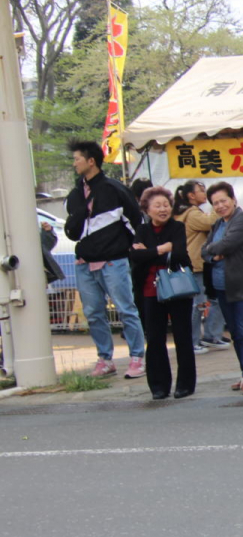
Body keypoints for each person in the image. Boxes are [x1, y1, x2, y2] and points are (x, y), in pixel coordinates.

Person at [63, 139, 147, 379]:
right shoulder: (76, 194)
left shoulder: (115, 189)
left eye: (77, 159)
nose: (74, 163)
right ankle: (105, 359)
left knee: (126, 309)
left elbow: (135, 221)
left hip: (114, 260)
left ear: (91, 161)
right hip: (84, 263)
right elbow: (73, 230)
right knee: (93, 313)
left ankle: (137, 358)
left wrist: (131, 247)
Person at [129, 187, 195, 400]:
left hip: (177, 289)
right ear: (147, 209)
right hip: (149, 291)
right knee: (155, 339)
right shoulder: (141, 229)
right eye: (157, 205)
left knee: (182, 336)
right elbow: (135, 257)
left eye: (166, 204)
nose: (163, 209)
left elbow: (179, 255)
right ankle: (159, 386)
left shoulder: (177, 227)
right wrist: (160, 249)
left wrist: (149, 252)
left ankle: (185, 384)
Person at [200, 183, 243, 394]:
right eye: (215, 203)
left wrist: (215, 251)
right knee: (236, 332)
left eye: (223, 201)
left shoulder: (242, 218)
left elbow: (227, 245)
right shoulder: (218, 224)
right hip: (222, 286)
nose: (220, 206)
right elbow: (205, 251)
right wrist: (212, 252)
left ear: (233, 200)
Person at [173, 180, 229, 355]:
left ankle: (210, 335)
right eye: (202, 191)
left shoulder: (187, 212)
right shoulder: (192, 214)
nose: (204, 194)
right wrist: (219, 205)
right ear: (191, 195)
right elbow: (211, 221)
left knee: (210, 301)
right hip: (195, 265)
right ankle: (193, 340)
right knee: (197, 305)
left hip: (199, 264)